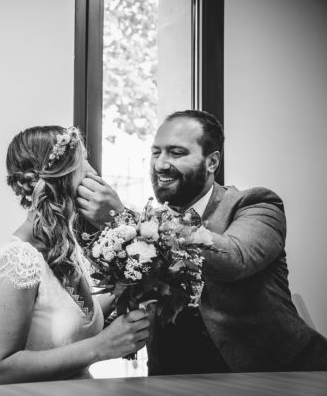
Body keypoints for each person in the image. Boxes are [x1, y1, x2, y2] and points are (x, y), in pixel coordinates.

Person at [76, 110, 327, 373]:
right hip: (173, 380)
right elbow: (122, 306)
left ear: (212, 162)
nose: (161, 164)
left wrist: (124, 219)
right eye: (156, 152)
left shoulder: (256, 204)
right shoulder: (143, 230)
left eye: (176, 153)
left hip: (280, 378)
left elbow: (235, 260)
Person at [0, 125, 151, 385]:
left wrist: (131, 289)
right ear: (60, 177)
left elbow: (71, 316)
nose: (93, 172)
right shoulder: (18, 258)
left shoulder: (65, 248)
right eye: (83, 161)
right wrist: (102, 346)